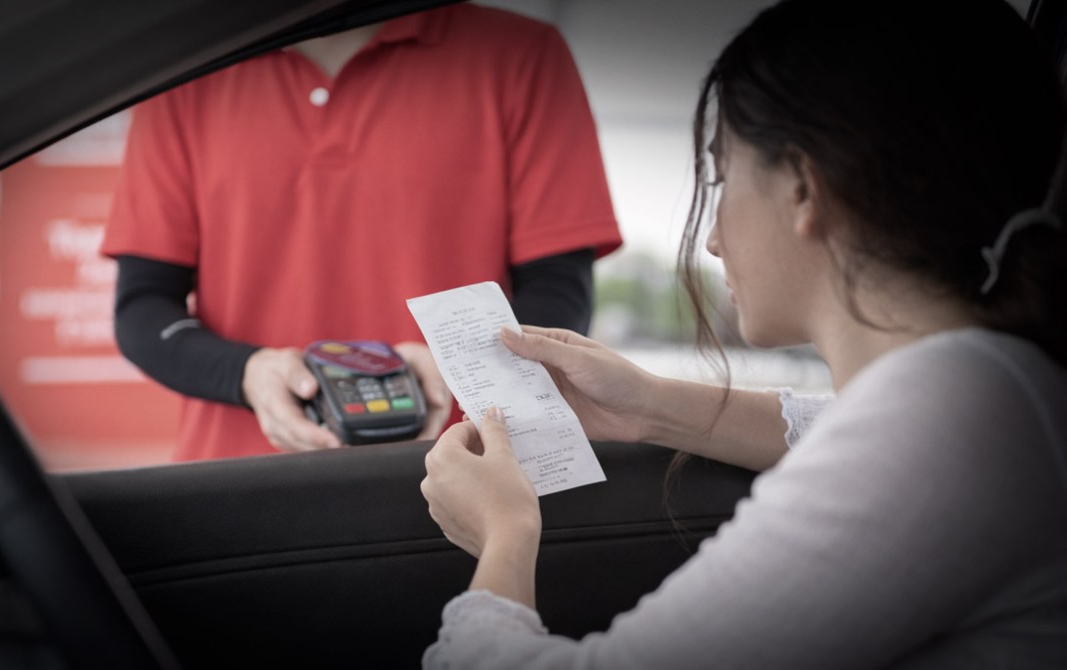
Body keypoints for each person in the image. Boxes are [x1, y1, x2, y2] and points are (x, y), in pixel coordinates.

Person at [420, 0, 1067, 666]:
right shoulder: (984, 389)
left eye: (723, 178)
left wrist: (503, 535)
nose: (712, 238)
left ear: (801, 191)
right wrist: (648, 405)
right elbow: (834, 425)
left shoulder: (940, 424)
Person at [99, 4, 622, 461]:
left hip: (467, 481)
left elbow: (559, 294)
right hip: (231, 486)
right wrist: (247, 373)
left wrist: (455, 368)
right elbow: (144, 307)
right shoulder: (184, 69)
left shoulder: (523, 55)